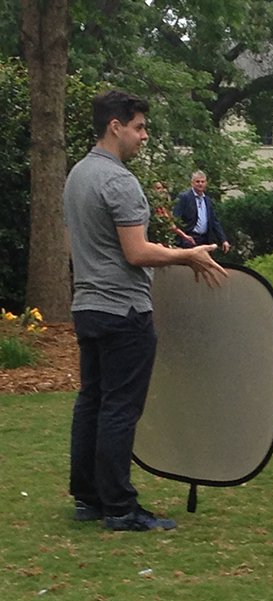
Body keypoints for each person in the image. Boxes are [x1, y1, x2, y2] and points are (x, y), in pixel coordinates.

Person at [64, 89, 228, 531]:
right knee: (119, 408)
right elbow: (136, 252)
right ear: (115, 126)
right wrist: (187, 256)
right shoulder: (119, 181)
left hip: (88, 307)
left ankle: (88, 498)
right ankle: (119, 507)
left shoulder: (77, 175)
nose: (144, 135)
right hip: (124, 311)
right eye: (139, 127)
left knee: (92, 401)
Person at [172, 171, 231, 253]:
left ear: (206, 183)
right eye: (197, 181)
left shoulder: (207, 200)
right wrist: (182, 236)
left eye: (202, 182)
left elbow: (214, 222)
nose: (200, 184)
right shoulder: (184, 197)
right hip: (189, 238)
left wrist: (223, 240)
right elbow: (176, 218)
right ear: (192, 183)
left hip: (205, 239)